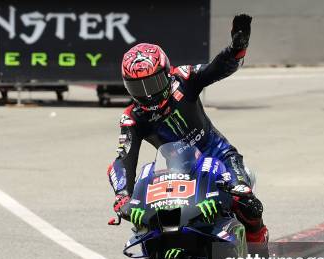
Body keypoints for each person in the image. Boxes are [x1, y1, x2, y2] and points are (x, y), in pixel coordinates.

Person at [107, 13, 268, 246]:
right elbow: (124, 159)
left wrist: (236, 49)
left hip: (219, 155)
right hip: (176, 169)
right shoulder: (132, 117)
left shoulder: (184, 77)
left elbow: (217, 68)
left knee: (248, 204)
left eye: (151, 83)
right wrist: (122, 196)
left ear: (165, 73)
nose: (147, 93)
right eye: (137, 87)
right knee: (147, 218)